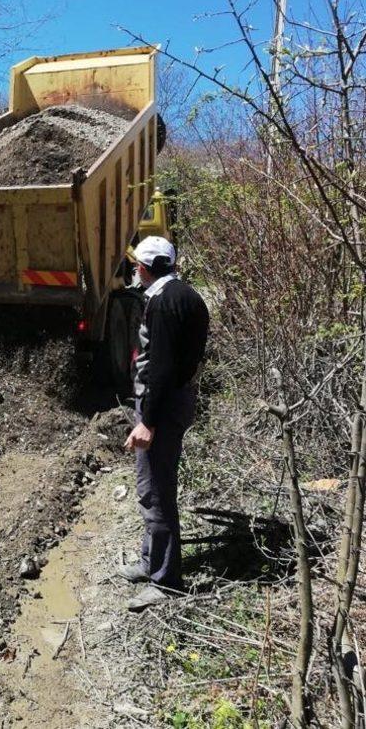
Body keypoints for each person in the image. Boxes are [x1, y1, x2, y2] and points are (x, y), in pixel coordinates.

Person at [122, 235, 209, 611]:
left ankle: (166, 582)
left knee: (156, 489)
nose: (134, 271)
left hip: (163, 405)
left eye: (136, 266)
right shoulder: (187, 295)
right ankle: (149, 562)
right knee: (149, 483)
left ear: (144, 268)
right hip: (175, 399)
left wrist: (148, 422)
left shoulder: (162, 302)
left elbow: (162, 366)